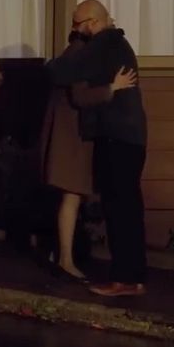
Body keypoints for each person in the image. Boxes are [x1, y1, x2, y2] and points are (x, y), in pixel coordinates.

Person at [46, 0, 149, 297]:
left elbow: (61, 72)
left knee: (119, 210)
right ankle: (133, 277)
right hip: (130, 138)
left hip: (118, 138)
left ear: (92, 23)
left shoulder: (104, 43)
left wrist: (53, 64)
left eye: (78, 25)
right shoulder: (117, 43)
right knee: (128, 208)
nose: (75, 31)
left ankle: (123, 281)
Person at [37, 31, 138, 283]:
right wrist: (113, 87)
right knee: (71, 196)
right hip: (72, 138)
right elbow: (81, 96)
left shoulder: (75, 52)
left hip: (71, 136)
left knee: (70, 197)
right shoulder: (80, 54)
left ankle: (60, 254)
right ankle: (65, 260)